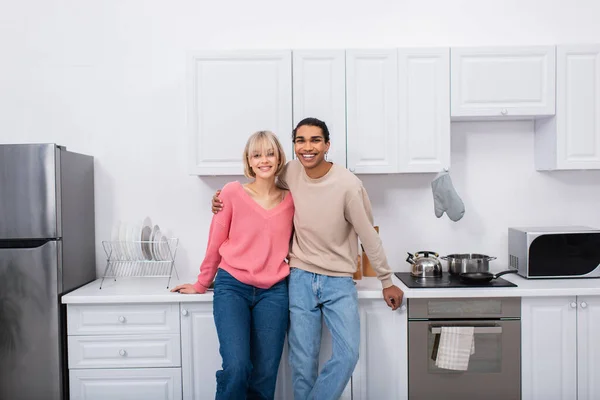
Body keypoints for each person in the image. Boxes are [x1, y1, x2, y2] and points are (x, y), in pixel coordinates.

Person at [212, 118, 404, 400]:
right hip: (299, 277)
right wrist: (220, 199)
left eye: (315, 140)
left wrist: (387, 280)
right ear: (294, 146)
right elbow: (258, 187)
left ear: (327, 145)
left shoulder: (348, 185)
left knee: (348, 354)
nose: (307, 147)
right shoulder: (290, 172)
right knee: (302, 364)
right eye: (300, 140)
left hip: (339, 280)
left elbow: (369, 235)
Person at [172, 130, 294, 400]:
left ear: (279, 158)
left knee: (264, 373)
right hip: (232, 287)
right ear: (249, 161)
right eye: (257, 155)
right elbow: (215, 242)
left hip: (274, 291)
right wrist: (202, 283)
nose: (264, 160)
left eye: (270, 153)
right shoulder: (230, 193)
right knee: (237, 366)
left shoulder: (291, 200)